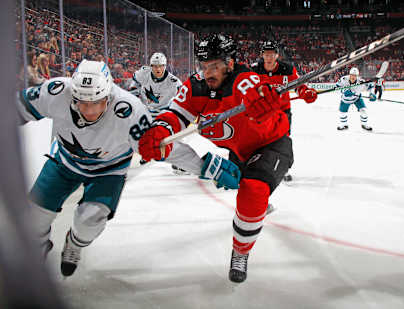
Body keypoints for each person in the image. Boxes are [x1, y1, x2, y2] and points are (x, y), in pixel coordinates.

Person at [17, 59, 239, 277]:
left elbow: (164, 149)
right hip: (64, 161)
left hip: (108, 170)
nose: (89, 111)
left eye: (96, 102)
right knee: (35, 217)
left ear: (109, 95)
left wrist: (209, 167)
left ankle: (75, 243)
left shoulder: (129, 113)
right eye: (82, 102)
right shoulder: (56, 91)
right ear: (72, 96)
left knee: (90, 221)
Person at [138, 34, 294, 283]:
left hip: (272, 143)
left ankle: (240, 251)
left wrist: (263, 103)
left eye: (214, 66)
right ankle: (259, 207)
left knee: (252, 190)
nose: (207, 72)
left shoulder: (244, 81)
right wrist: (161, 129)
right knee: (251, 194)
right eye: (203, 66)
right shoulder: (196, 86)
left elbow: (256, 89)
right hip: (240, 150)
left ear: (230, 63)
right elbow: (174, 114)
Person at [249, 40, 317, 183]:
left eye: (271, 54)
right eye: (266, 54)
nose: (268, 57)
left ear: (277, 55)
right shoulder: (254, 70)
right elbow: (247, 89)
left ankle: (283, 168)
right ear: (262, 55)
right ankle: (256, 165)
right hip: (262, 112)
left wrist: (305, 92)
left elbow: (299, 85)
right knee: (259, 140)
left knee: (283, 140)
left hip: (282, 112)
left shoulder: (287, 69)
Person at [129, 52, 198, 174]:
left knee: (175, 136)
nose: (158, 69)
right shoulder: (144, 73)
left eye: (160, 66)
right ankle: (145, 155)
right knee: (142, 133)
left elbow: (184, 96)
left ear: (165, 66)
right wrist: (133, 92)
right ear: (151, 66)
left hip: (164, 111)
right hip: (147, 110)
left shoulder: (173, 81)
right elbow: (134, 83)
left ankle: (180, 164)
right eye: (155, 66)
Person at [336, 67, 376, 131]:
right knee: (342, 113)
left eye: (355, 76)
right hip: (346, 99)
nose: (353, 77)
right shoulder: (343, 79)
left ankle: (364, 124)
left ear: (357, 76)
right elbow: (336, 88)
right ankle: (344, 125)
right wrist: (344, 91)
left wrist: (372, 94)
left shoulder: (361, 82)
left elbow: (370, 87)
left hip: (357, 98)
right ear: (349, 75)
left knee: (363, 111)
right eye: (352, 75)